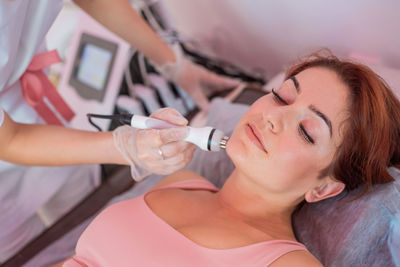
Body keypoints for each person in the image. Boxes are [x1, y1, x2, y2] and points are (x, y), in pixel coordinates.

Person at [62, 52, 400, 266]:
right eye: (281, 97)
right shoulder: (181, 183)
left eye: (307, 131)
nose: (273, 117)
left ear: (324, 188)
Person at [0, 0, 237, 261]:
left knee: (83, 216)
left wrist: (171, 63)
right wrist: (127, 147)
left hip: (34, 112)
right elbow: (10, 140)